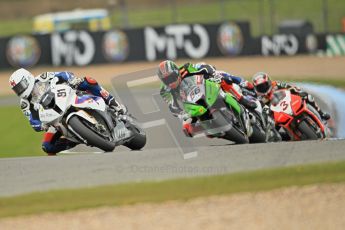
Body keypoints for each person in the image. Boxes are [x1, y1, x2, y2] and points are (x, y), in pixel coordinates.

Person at [9, 68, 126, 155]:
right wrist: (41, 125)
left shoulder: (43, 78)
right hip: (54, 119)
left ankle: (114, 104)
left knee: (88, 81)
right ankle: (77, 138)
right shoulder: (25, 103)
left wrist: (71, 79)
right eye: (16, 90)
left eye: (21, 86)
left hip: (67, 97)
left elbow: (62, 74)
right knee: (47, 146)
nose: (20, 91)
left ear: (28, 78)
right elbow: (32, 120)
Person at [157, 60, 256, 137]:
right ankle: (213, 131)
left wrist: (213, 75)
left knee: (225, 79)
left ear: (177, 72)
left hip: (203, 89)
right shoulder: (164, 90)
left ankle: (242, 99)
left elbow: (205, 68)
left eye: (172, 78)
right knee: (187, 130)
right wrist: (182, 114)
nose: (170, 82)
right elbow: (172, 106)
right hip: (191, 105)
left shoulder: (186, 69)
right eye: (166, 80)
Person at [252, 72, 330, 120]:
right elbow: (263, 111)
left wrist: (296, 91)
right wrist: (268, 112)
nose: (263, 88)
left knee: (307, 96)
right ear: (256, 89)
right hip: (279, 114)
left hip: (290, 103)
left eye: (264, 85)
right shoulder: (260, 99)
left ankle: (321, 113)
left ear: (268, 82)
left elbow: (290, 87)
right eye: (260, 87)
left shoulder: (276, 84)